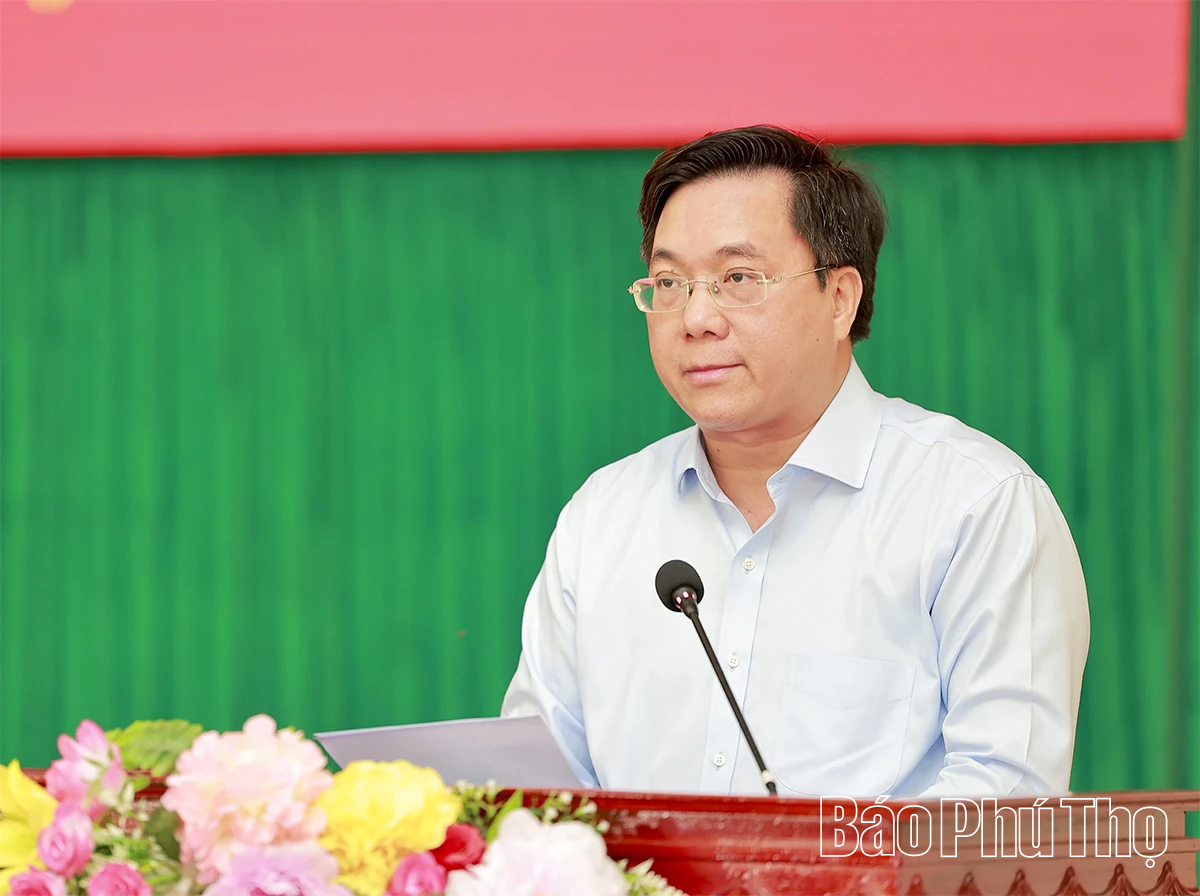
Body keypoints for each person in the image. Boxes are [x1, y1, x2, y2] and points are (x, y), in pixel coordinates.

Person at [501, 125, 1089, 798]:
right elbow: (533, 792)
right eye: (668, 282)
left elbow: (1006, 796)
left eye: (738, 278)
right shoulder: (602, 518)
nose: (695, 317)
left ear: (840, 298)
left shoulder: (975, 505)